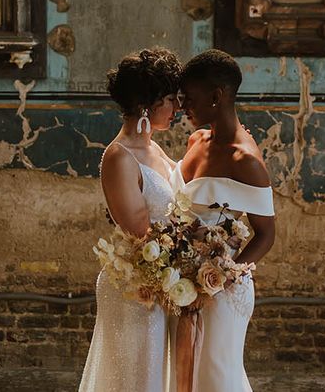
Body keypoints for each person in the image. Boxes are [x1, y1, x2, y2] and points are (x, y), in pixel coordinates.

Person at [171, 49, 276, 392]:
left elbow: (265, 236)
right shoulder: (196, 139)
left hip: (222, 290)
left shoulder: (245, 160)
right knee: (188, 374)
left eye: (189, 97)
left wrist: (217, 280)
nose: (182, 104)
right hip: (182, 281)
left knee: (216, 375)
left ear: (216, 96)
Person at [79, 47, 181, 392]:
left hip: (160, 282)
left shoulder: (154, 149)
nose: (177, 108)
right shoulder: (119, 157)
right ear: (146, 107)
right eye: (170, 99)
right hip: (136, 288)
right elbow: (139, 231)